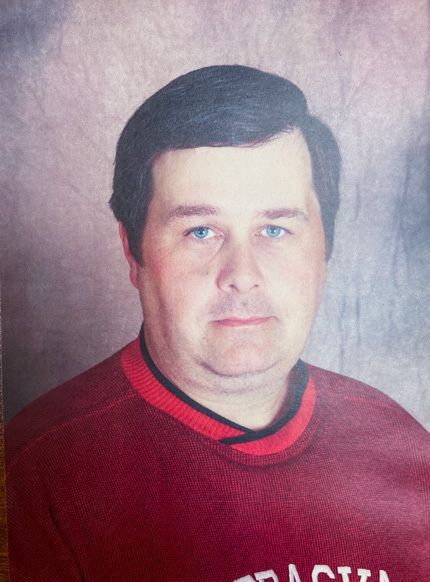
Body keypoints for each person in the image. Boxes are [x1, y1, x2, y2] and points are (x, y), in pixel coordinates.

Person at [5, 65, 429, 582]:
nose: (242, 276)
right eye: (201, 231)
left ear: (326, 249)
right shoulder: (33, 475)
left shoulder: (405, 448)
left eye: (275, 229)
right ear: (133, 253)